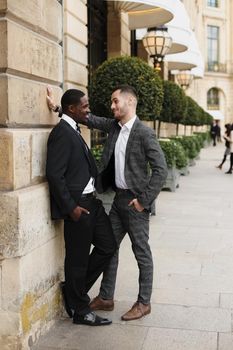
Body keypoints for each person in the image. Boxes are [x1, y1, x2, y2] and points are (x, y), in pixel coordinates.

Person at [47, 85, 168, 321]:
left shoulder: (144, 133)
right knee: (109, 247)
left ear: (130, 101)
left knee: (141, 252)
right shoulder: (114, 127)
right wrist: (57, 108)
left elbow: (161, 170)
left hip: (135, 204)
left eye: (115, 102)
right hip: (117, 200)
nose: (112, 106)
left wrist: (143, 201)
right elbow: (87, 118)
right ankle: (106, 297)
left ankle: (144, 302)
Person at [46, 89, 116, 326]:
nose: (88, 110)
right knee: (77, 260)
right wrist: (71, 208)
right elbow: (55, 175)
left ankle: (73, 291)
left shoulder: (73, 128)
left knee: (108, 245)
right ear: (72, 109)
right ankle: (81, 310)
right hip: (79, 207)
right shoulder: (62, 133)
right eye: (85, 107)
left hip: (92, 202)